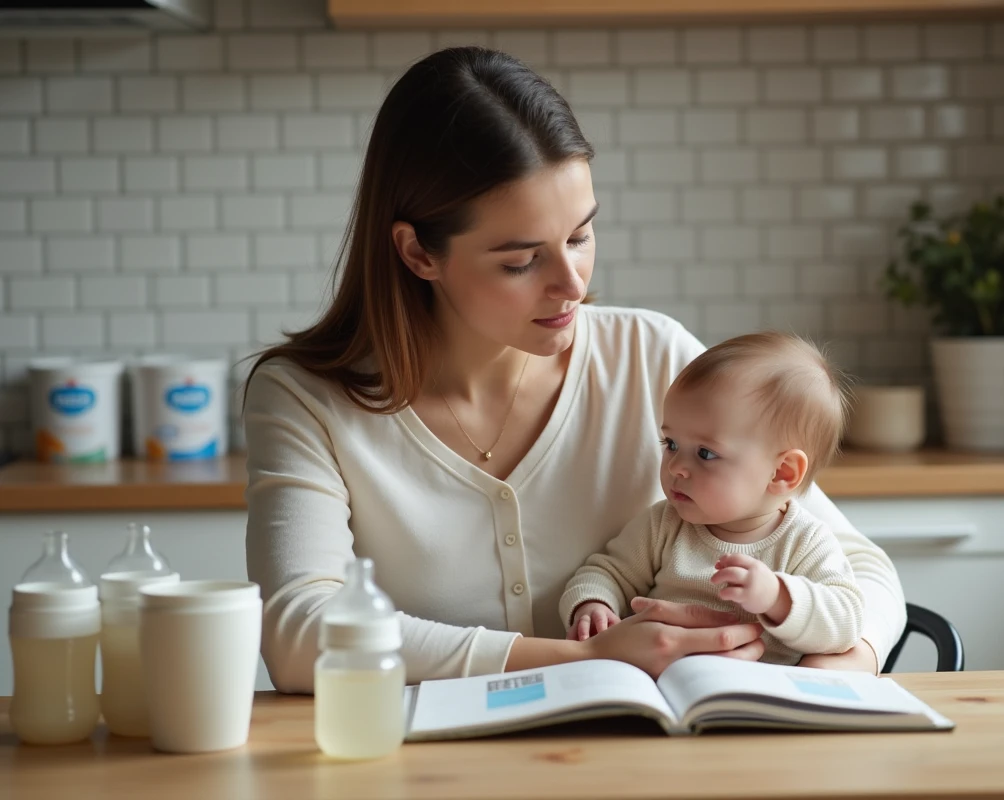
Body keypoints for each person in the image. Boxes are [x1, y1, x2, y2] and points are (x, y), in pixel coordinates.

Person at [243, 46, 906, 694]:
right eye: (521, 259)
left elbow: (863, 572)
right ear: (418, 252)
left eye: (581, 235)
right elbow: (299, 636)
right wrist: (583, 657)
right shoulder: (305, 400)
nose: (572, 283)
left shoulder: (654, 357)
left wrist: (822, 682)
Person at [562, 332, 863, 665]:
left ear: (782, 473)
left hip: (759, 702)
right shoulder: (663, 525)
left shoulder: (805, 542)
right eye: (671, 444)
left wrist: (777, 596)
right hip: (663, 686)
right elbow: (606, 572)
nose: (677, 467)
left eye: (705, 453)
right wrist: (593, 605)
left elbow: (846, 621)